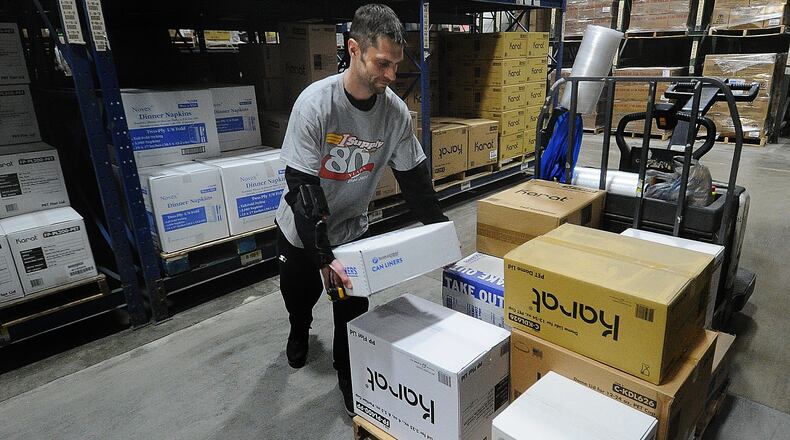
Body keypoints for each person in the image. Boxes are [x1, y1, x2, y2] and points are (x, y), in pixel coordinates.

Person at [274, 3, 448, 417]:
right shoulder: (315, 105)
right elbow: (301, 188)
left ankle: (349, 374)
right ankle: (299, 329)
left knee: (352, 312)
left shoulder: (395, 113)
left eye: (396, 65)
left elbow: (415, 179)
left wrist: (442, 232)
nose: (391, 76)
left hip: (351, 228)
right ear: (354, 49)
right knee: (301, 296)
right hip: (302, 230)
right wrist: (322, 256)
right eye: (382, 64)